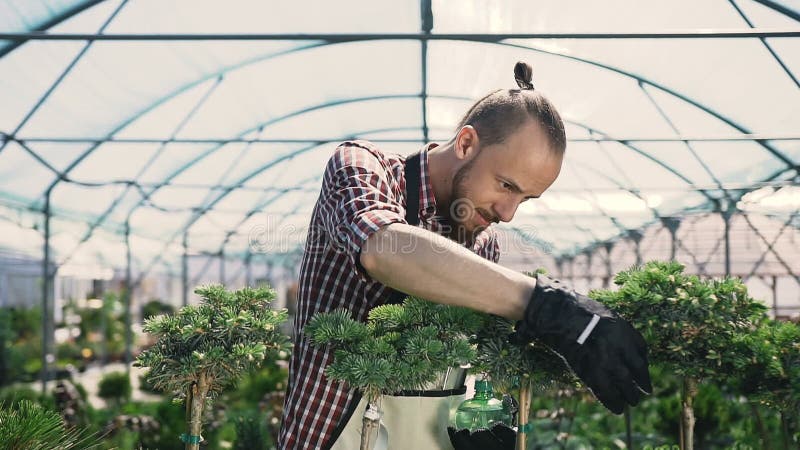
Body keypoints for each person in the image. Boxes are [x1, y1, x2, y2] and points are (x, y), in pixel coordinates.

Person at [278, 61, 651, 450]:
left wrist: (481, 417)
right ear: (466, 143)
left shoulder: (483, 242)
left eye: (524, 198)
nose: (507, 213)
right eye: (506, 185)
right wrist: (543, 303)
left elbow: (462, 361)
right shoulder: (362, 168)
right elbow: (384, 249)